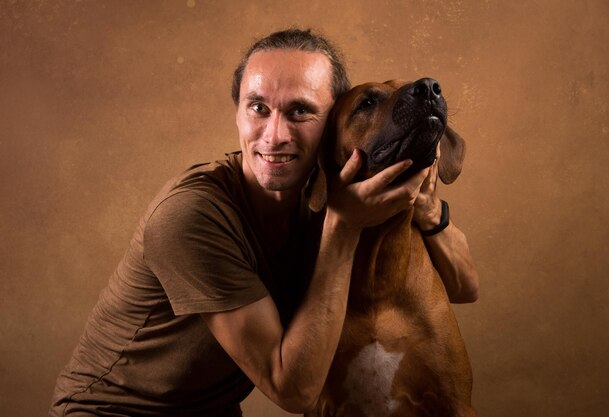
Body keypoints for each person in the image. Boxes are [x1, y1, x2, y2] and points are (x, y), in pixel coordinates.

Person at [50, 28, 479, 417]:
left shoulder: (324, 195)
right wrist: (343, 227)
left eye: (299, 112)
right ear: (237, 113)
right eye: (258, 108)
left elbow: (464, 288)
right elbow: (292, 393)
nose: (274, 135)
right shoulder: (190, 215)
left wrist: (426, 211)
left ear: (329, 127)